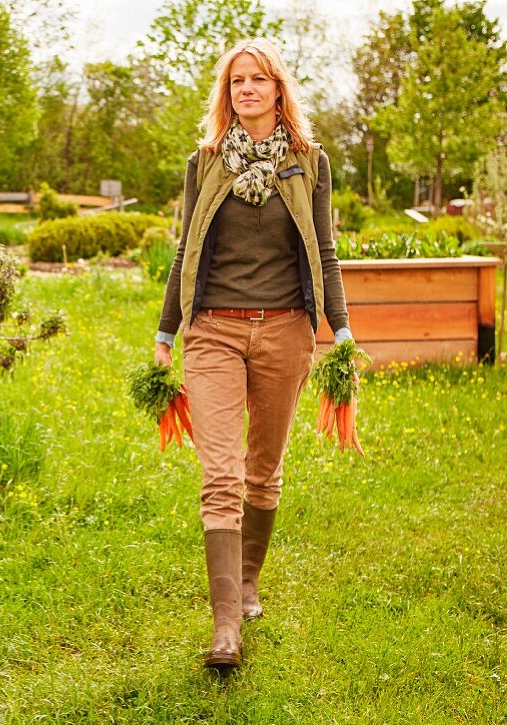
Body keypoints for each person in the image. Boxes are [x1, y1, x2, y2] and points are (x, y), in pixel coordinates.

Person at [155, 37, 353, 673]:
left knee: (262, 471)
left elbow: (324, 250)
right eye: (236, 81)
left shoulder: (308, 162)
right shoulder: (206, 161)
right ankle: (225, 629)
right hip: (211, 330)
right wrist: (165, 333)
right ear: (227, 92)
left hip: (286, 331)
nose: (246, 90)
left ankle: (247, 582)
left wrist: (340, 328)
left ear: (277, 90)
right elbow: (185, 250)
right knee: (220, 473)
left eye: (258, 80)